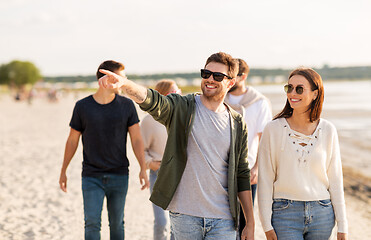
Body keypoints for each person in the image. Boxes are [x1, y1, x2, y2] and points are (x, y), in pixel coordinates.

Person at [99, 52, 255, 240]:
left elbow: (242, 173)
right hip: (184, 214)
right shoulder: (182, 107)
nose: (210, 79)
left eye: (218, 76)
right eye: (206, 74)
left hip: (224, 218)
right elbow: (153, 101)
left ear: (230, 82)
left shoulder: (237, 122)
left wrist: (250, 223)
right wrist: (125, 85)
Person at [58, 60, 149, 240]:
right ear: (107, 78)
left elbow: (137, 139)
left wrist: (142, 168)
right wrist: (63, 170)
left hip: (119, 175)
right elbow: (72, 141)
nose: (125, 82)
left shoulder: (127, 106)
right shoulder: (82, 106)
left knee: (117, 224)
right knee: (92, 223)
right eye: (122, 78)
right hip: (91, 176)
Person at [257, 68, 348, 240]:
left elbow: (335, 179)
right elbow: (265, 180)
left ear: (315, 94)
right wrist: (266, 225)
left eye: (299, 89)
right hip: (284, 214)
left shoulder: (328, 130)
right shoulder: (273, 129)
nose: (292, 93)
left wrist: (343, 225)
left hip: (323, 213)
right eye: (289, 88)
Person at [224, 58, 272, 239]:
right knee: (224, 219)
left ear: (243, 76)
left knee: (245, 221)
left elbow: (264, 140)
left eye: (231, 76)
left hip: (247, 168)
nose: (227, 80)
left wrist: (257, 168)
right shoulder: (219, 98)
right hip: (221, 167)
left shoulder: (260, 102)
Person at [140, 79, 181, 240]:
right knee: (161, 221)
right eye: (173, 92)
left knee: (176, 222)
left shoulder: (182, 117)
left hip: (180, 175)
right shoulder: (149, 120)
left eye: (179, 91)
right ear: (162, 96)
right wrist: (150, 163)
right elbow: (140, 150)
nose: (178, 95)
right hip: (158, 176)